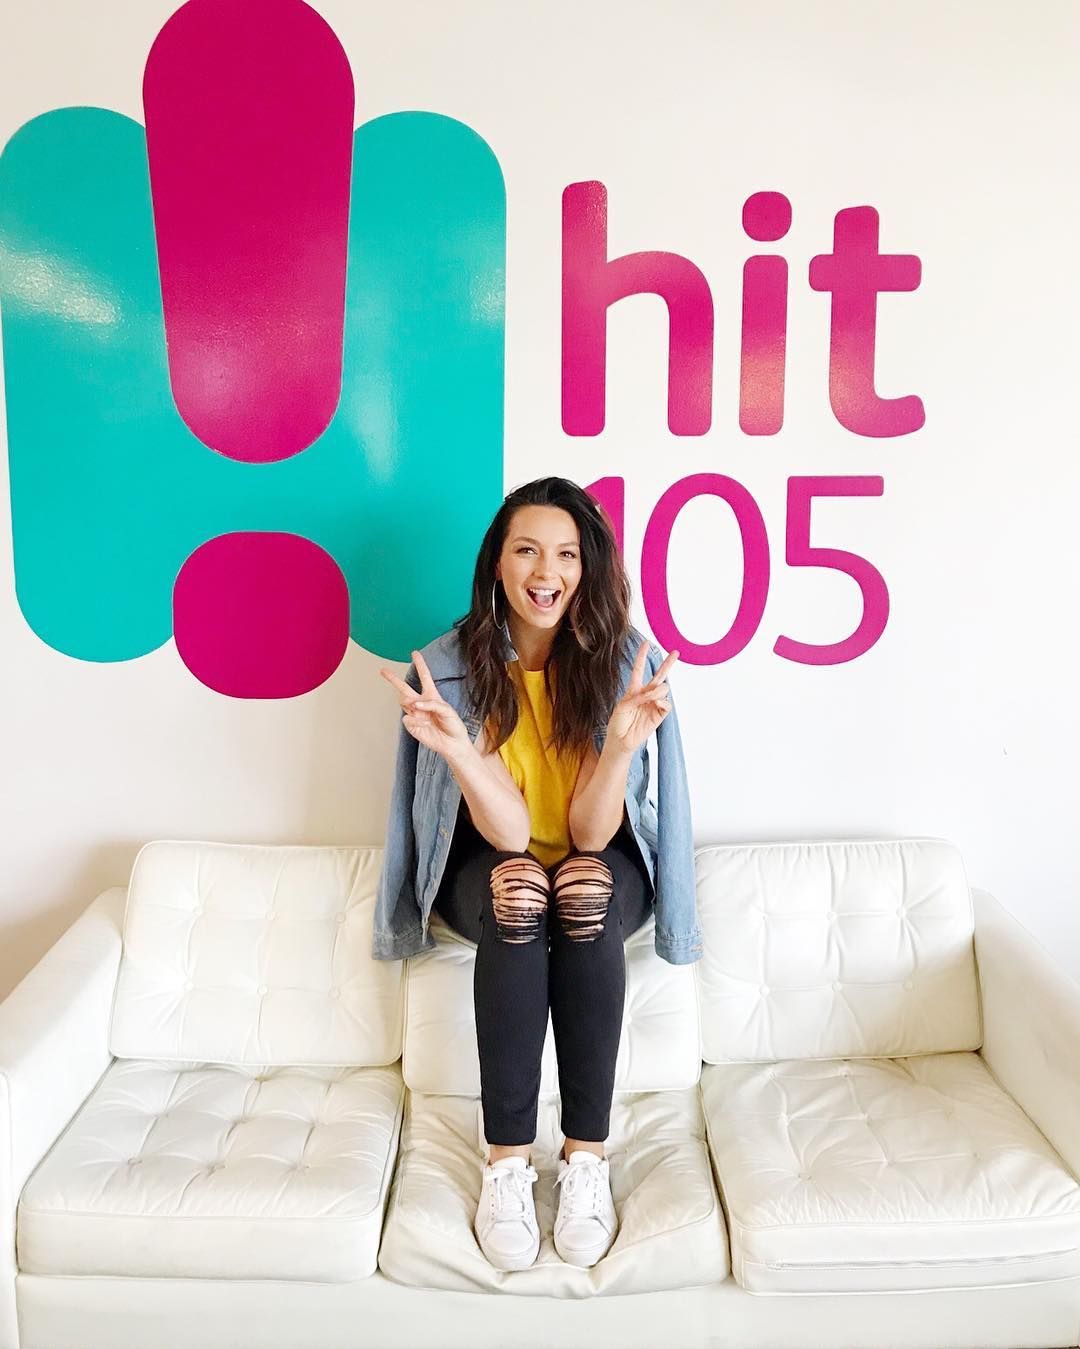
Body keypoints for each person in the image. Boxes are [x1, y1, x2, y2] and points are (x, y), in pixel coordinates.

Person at [374, 475, 701, 1273]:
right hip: (491, 862)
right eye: (526, 550)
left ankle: (586, 1159)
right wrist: (457, 748)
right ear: (498, 563)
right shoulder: (450, 666)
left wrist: (619, 744)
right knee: (522, 882)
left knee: (580, 882)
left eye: (565, 554)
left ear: (587, 568)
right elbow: (511, 834)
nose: (545, 571)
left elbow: (591, 833)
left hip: (597, 858)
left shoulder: (622, 662)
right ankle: (508, 1167)